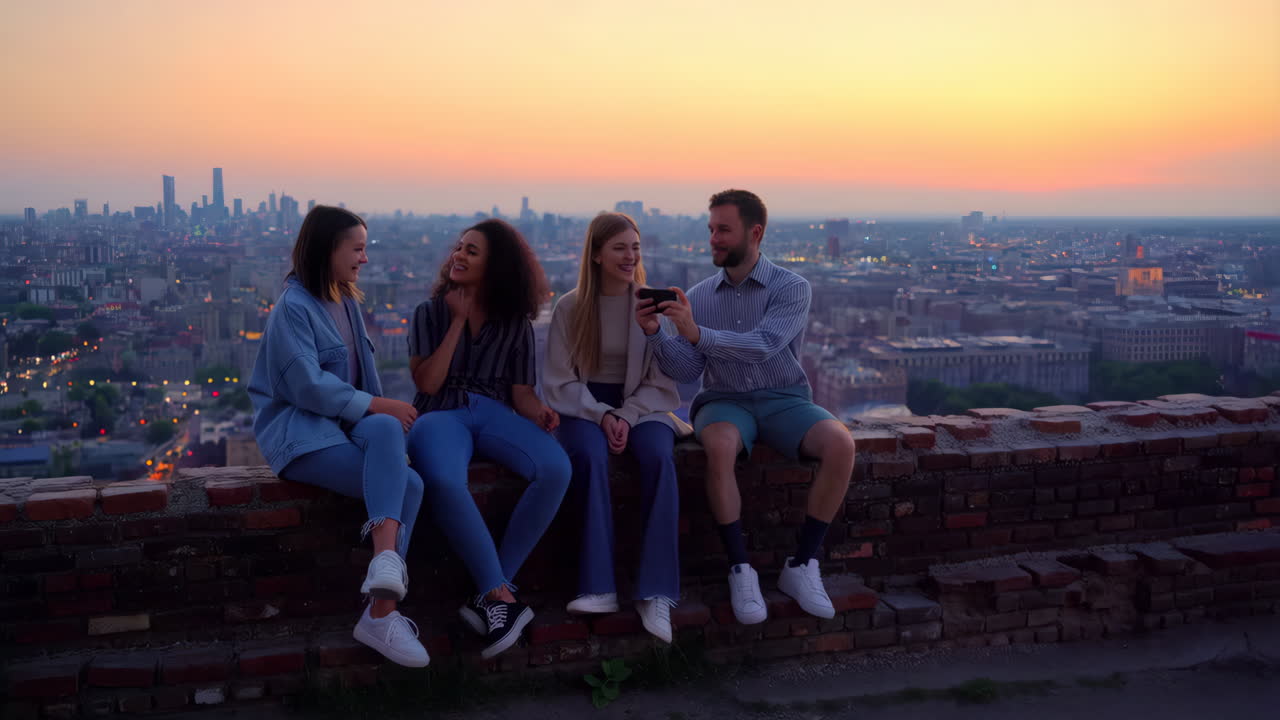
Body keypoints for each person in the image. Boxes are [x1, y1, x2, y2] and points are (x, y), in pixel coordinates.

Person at [637, 189, 857, 625]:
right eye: (711, 229)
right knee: (718, 446)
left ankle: (802, 564)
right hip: (723, 399)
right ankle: (741, 569)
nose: (714, 239)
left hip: (784, 396)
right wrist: (657, 333)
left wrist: (697, 332)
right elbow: (687, 369)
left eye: (724, 230)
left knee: (841, 444)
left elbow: (765, 346)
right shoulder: (699, 295)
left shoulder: (792, 288)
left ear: (754, 233)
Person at [249, 205, 429, 667]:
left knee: (399, 455)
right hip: (302, 435)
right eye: (358, 248)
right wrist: (378, 405)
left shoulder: (345, 300)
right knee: (407, 485)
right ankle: (381, 609)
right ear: (330, 249)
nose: (364, 259)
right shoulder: (292, 309)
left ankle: (382, 586)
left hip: (347, 426)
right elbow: (308, 386)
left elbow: (363, 384)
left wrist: (381, 421)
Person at [405, 218, 571, 659]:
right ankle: (502, 597)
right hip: (440, 415)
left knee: (555, 468)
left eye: (472, 251)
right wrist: (457, 320)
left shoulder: (514, 322)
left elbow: (521, 393)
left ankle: (493, 595)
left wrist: (541, 413)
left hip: (494, 411)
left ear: (496, 265)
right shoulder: (430, 313)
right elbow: (429, 384)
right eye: (459, 247)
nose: (458, 255)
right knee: (443, 482)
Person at [543, 212, 692, 644]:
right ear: (596, 255)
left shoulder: (649, 305)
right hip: (584, 405)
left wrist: (625, 415)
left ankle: (657, 591)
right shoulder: (570, 307)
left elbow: (662, 382)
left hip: (643, 405)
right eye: (620, 248)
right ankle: (597, 585)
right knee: (588, 457)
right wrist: (601, 414)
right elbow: (560, 380)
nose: (631, 256)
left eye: (636, 247)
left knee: (659, 458)